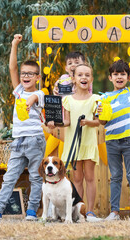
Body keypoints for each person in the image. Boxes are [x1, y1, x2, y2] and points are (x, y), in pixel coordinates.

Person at [0, 34, 46, 221]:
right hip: (18, 141)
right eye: (24, 74)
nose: (26, 76)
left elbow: (34, 98)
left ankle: (31, 211)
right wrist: (14, 44)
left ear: (37, 77)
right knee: (9, 177)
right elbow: (12, 67)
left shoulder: (39, 92)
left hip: (35, 140)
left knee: (35, 177)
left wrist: (30, 102)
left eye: (31, 74)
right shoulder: (19, 91)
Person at [98, 30, 130, 221]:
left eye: (123, 74)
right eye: (116, 74)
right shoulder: (104, 97)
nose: (119, 77)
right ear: (110, 78)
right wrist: (100, 115)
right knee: (116, 177)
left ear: (127, 77)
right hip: (112, 142)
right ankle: (114, 212)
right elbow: (101, 122)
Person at [48, 63, 101, 222]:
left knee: (90, 177)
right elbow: (66, 122)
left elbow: (99, 121)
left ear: (91, 79)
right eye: (80, 75)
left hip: (88, 143)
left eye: (87, 75)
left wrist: (88, 122)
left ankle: (90, 212)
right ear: (73, 79)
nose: (83, 77)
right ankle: (79, 212)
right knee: (77, 179)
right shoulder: (68, 100)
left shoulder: (96, 99)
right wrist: (54, 123)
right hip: (73, 144)